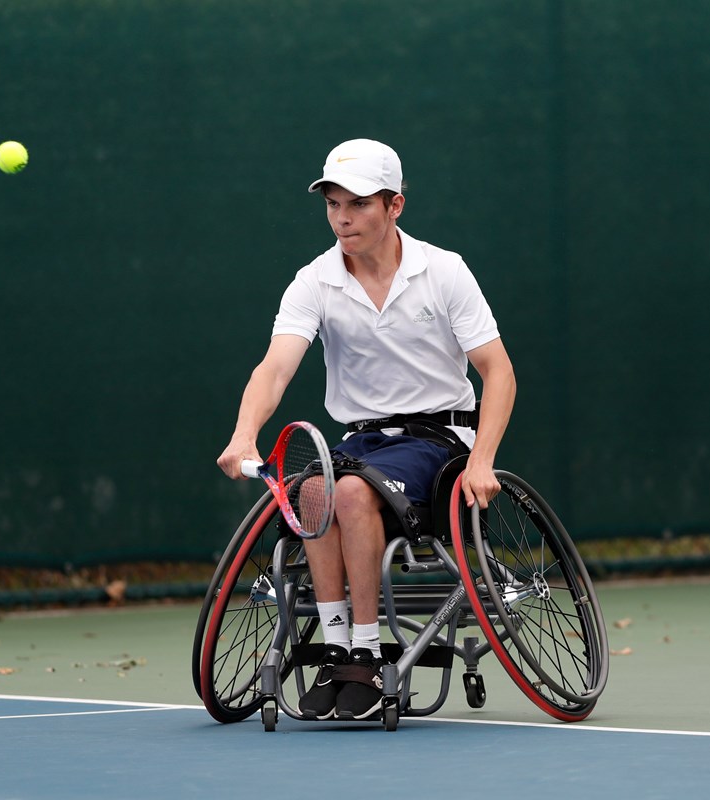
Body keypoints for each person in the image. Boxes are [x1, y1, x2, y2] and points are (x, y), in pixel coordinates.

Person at [216, 138, 516, 721]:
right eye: (332, 204)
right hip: (361, 442)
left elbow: (497, 371)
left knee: (349, 492)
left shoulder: (444, 271)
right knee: (312, 490)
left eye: (357, 204)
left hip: (439, 442)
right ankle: (336, 646)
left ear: (394, 206)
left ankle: (369, 652)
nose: (342, 218)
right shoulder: (315, 281)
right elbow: (275, 367)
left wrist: (483, 458)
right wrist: (244, 433)